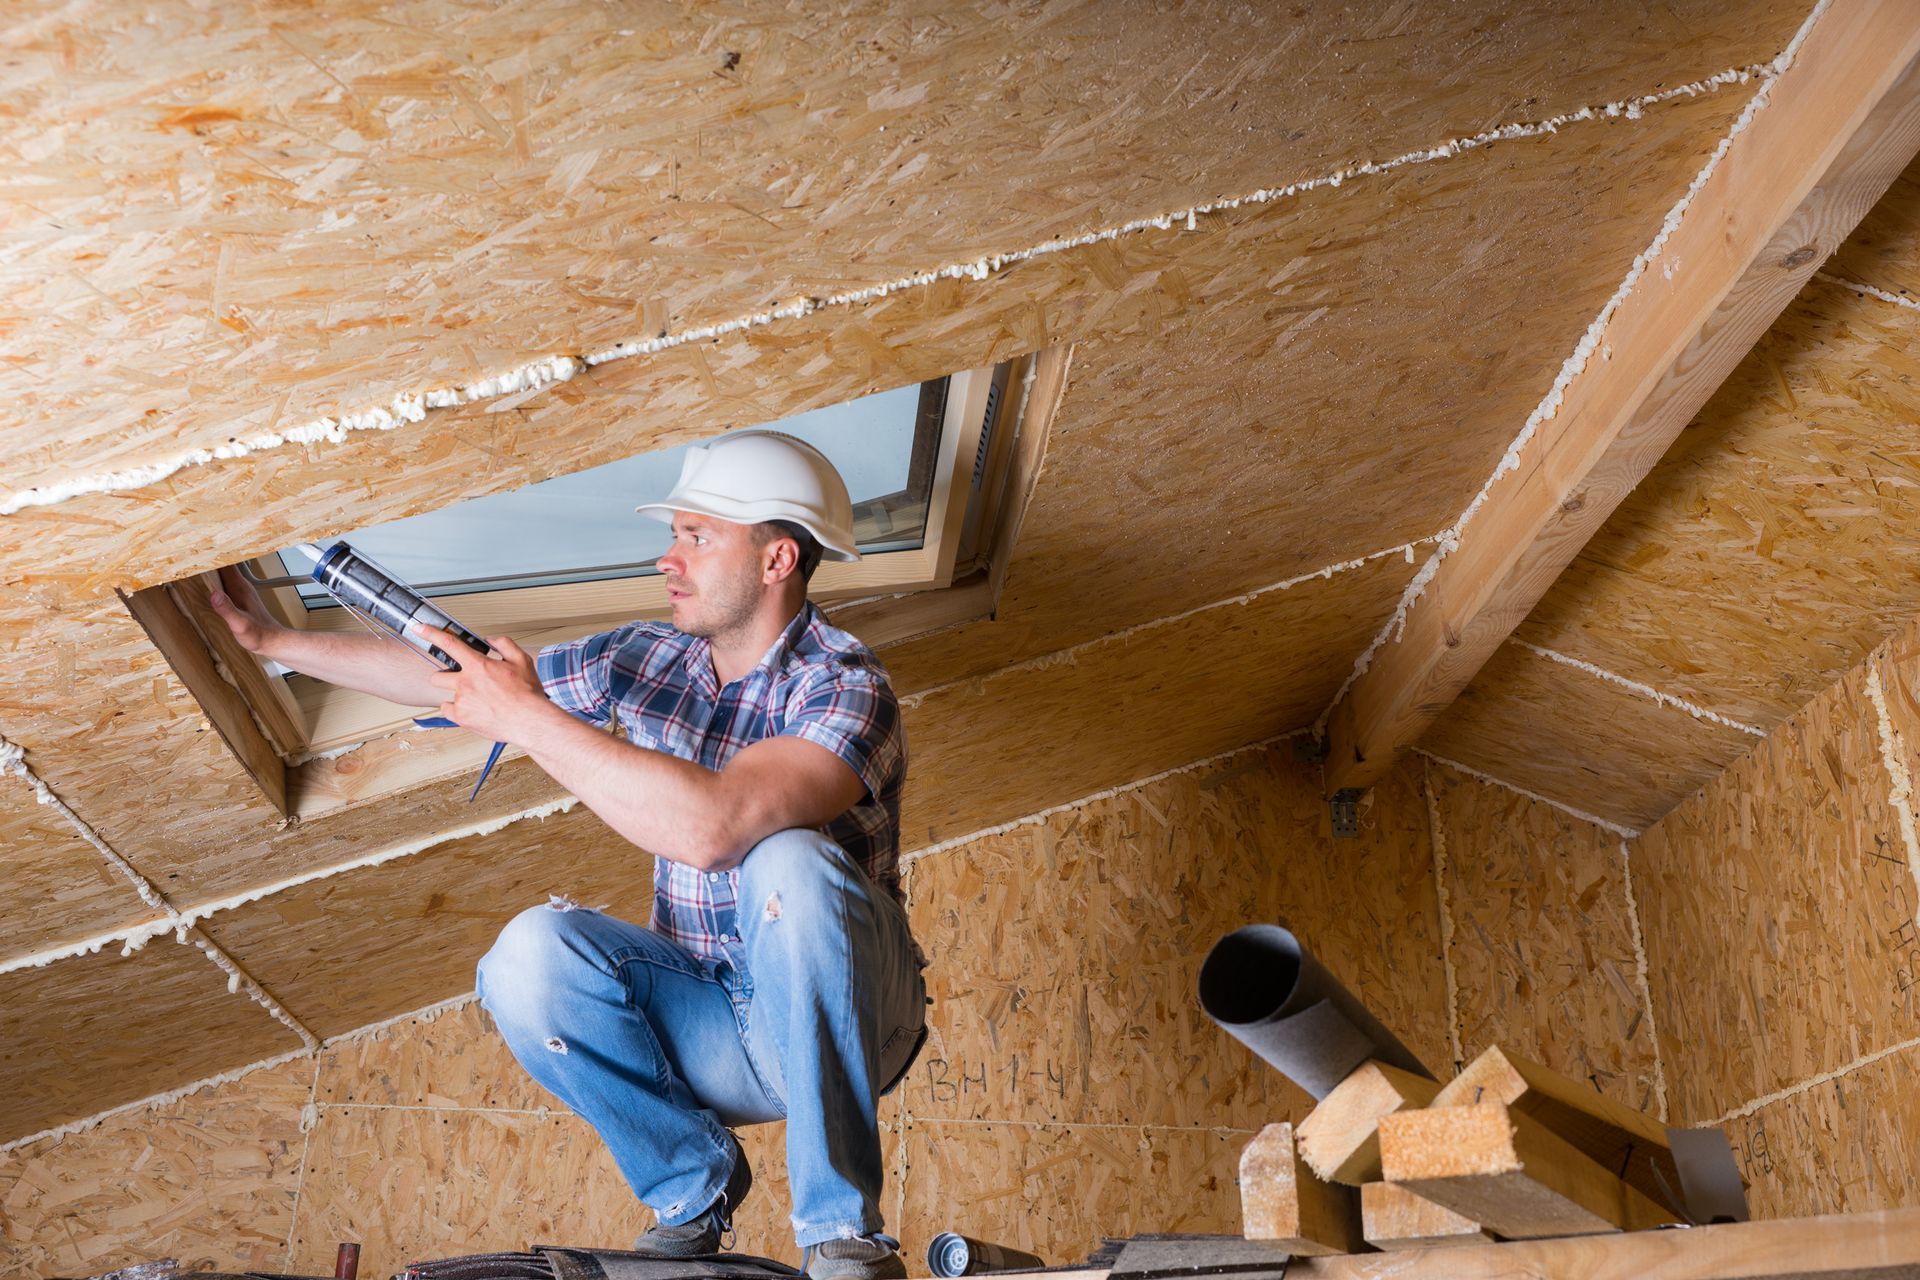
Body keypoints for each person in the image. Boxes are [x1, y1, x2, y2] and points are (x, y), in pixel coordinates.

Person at [210, 431, 926, 1280]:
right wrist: (269, 642)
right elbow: (457, 679)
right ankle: (691, 1185)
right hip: (711, 1021)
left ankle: (842, 1235)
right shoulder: (649, 658)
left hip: (848, 1020)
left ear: (777, 560)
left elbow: (717, 827)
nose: (668, 558)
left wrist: (526, 718)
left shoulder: (844, 684)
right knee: (527, 957)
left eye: (696, 537)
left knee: (789, 863)